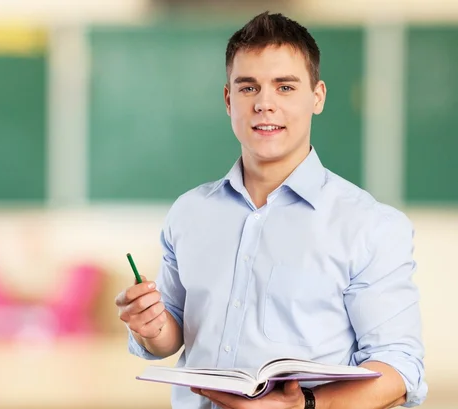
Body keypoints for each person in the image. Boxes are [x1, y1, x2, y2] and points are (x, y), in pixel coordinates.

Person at [114, 11, 427, 409]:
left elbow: (400, 370)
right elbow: (170, 336)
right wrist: (149, 327)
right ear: (229, 100)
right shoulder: (189, 213)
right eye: (248, 88)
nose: (264, 104)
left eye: (284, 87)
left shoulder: (370, 225)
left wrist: (304, 406)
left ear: (317, 96)